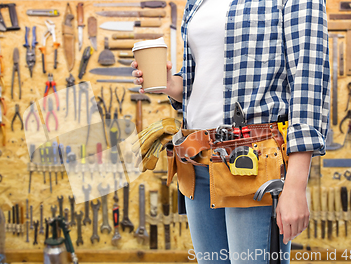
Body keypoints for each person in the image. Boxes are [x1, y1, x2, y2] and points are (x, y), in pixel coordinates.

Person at [132, 0, 330, 262]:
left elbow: (309, 79)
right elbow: (200, 82)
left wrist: (295, 186)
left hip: (253, 163)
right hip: (197, 160)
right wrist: (170, 84)